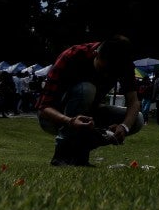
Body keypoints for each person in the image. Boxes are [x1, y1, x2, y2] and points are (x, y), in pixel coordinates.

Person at [37, 35, 144, 167]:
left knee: (137, 119)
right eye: (104, 70)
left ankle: (81, 153)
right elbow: (44, 108)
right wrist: (70, 121)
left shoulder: (125, 65)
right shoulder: (72, 56)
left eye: (113, 74)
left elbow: (134, 102)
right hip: (55, 117)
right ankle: (62, 154)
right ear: (96, 54)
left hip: (90, 115)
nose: (106, 76)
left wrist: (124, 126)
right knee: (87, 89)